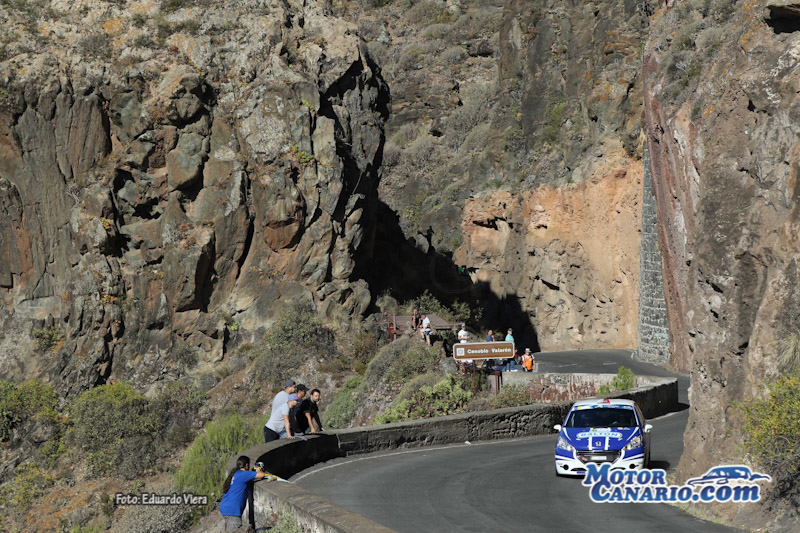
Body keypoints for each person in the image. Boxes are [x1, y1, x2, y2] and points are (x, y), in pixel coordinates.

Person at [219, 455, 267, 531]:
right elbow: (262, 475)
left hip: (225, 507)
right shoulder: (243, 474)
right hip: (232, 511)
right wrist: (259, 469)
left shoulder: (236, 473)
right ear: (247, 465)